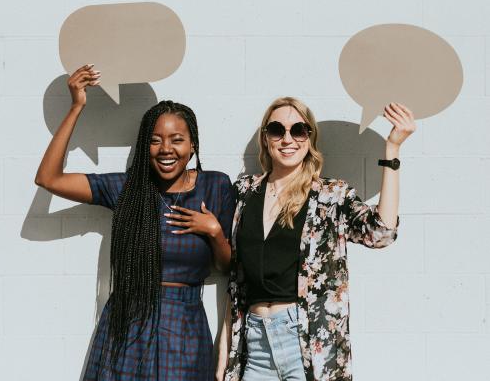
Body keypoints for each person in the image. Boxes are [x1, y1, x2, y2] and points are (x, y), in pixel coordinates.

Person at [35, 64, 236, 380]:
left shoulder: (216, 186)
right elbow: (49, 178)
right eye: (155, 140)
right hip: (128, 321)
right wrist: (76, 106)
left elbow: (226, 266)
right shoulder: (128, 189)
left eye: (177, 139)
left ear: (193, 144)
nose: (166, 149)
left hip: (184, 323)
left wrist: (214, 232)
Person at [215, 97, 415, 381]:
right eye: (277, 130)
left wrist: (392, 150)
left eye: (298, 130)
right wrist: (225, 350)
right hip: (255, 343)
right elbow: (235, 281)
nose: (288, 139)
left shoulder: (330, 195)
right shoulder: (245, 192)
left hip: (307, 342)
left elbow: (381, 233)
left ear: (309, 138)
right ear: (266, 138)